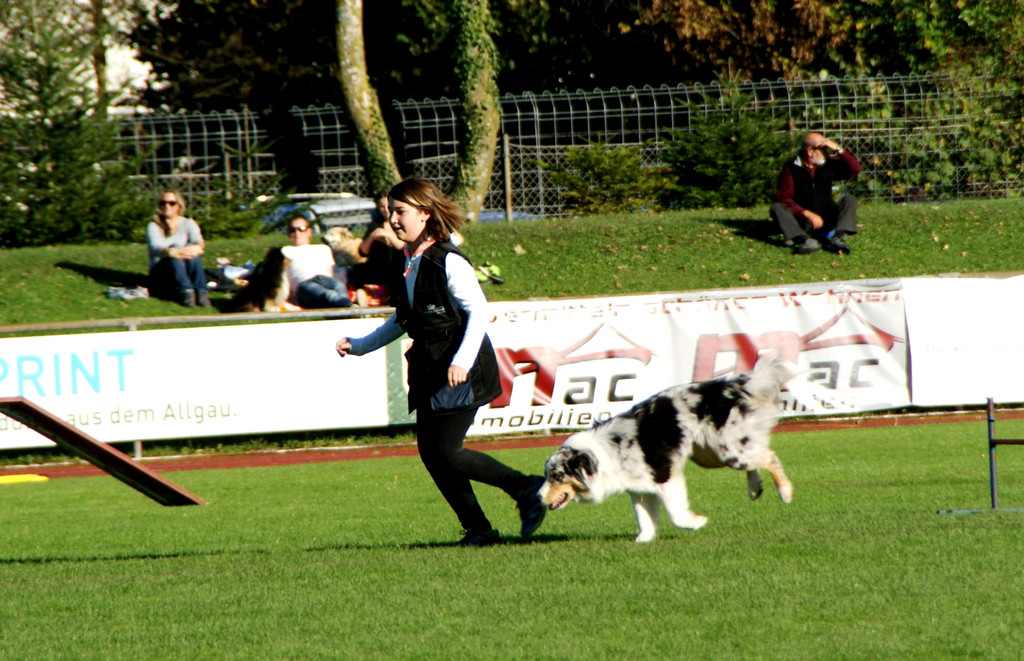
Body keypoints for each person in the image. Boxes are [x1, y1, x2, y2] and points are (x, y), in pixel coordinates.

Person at [334, 177, 545, 547]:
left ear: (425, 214)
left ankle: (526, 488)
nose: (393, 219)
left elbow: (479, 311)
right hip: (431, 367)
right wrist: (361, 346)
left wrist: (461, 360)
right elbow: (404, 319)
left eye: (400, 211)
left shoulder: (447, 259)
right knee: (433, 456)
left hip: (462, 369)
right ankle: (479, 529)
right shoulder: (407, 260)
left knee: (446, 452)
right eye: (390, 211)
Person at [770, 132, 862, 255]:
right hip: (803, 221)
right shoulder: (791, 168)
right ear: (810, 151)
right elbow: (783, 198)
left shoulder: (827, 164)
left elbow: (855, 169)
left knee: (849, 199)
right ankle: (804, 240)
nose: (826, 153)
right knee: (776, 208)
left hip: (827, 217)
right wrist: (807, 214)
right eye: (823, 149)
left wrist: (838, 149)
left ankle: (838, 237)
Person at [146, 188, 211, 307]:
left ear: (178, 206)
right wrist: (171, 252)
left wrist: (193, 249)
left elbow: (199, 242)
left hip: (184, 268)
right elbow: (155, 247)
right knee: (175, 248)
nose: (167, 206)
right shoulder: (154, 226)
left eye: (172, 203)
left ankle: (201, 292)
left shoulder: (188, 223)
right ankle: (186, 291)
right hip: (161, 273)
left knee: (192, 251)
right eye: (163, 203)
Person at [282, 212, 354, 309]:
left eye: (301, 229)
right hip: (304, 285)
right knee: (327, 294)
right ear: (288, 233)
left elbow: (331, 272)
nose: (297, 233)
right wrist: (286, 299)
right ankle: (350, 308)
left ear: (309, 231)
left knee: (339, 286)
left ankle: (348, 308)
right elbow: (282, 276)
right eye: (292, 230)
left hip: (325, 279)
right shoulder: (285, 251)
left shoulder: (323, 248)